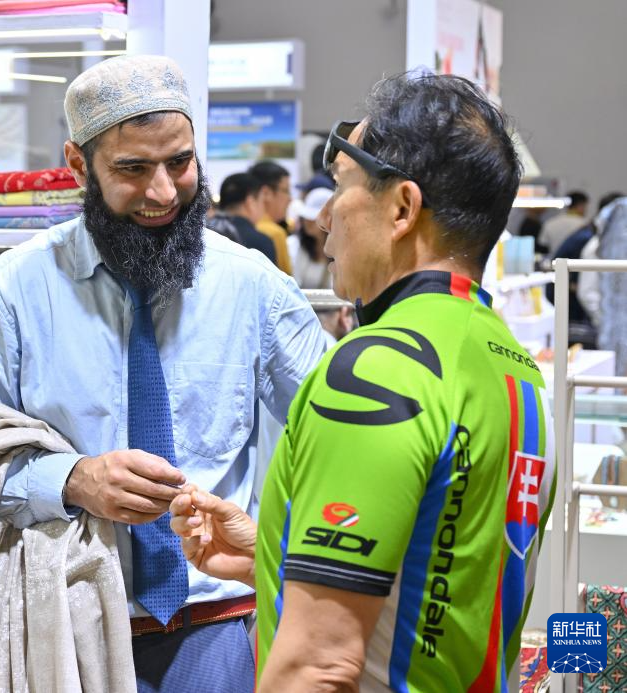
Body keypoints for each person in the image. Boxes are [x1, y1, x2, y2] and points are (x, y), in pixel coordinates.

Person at [0, 54, 327, 692]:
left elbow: (334, 432)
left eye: (180, 163)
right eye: (133, 169)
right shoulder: (13, 294)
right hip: (65, 630)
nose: (164, 193)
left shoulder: (254, 287)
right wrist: (72, 480)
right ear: (78, 164)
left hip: (217, 626)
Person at [171, 72, 556, 692]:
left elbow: (319, 666)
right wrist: (270, 558)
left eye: (340, 186)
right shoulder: (515, 367)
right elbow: (442, 573)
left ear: (402, 208)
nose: (324, 217)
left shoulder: (377, 368)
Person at [546, 191, 624, 346]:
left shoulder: (601, 240)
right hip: (577, 310)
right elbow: (587, 292)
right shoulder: (594, 244)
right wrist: (606, 321)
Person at [207, 172, 277, 264]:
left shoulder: (206, 233)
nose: (263, 208)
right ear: (250, 202)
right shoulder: (261, 242)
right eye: (261, 201)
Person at [248, 160, 294, 275]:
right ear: (266, 193)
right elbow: (286, 283)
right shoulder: (275, 234)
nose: (290, 199)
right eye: (286, 190)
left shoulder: (235, 227)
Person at [288, 187, 334, 289]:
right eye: (306, 217)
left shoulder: (341, 253)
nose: (308, 221)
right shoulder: (292, 245)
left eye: (313, 218)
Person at [538, 190, 589, 254]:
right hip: (576, 260)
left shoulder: (550, 222)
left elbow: (543, 245)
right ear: (580, 205)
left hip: (554, 259)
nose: (586, 210)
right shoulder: (585, 224)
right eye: (585, 206)